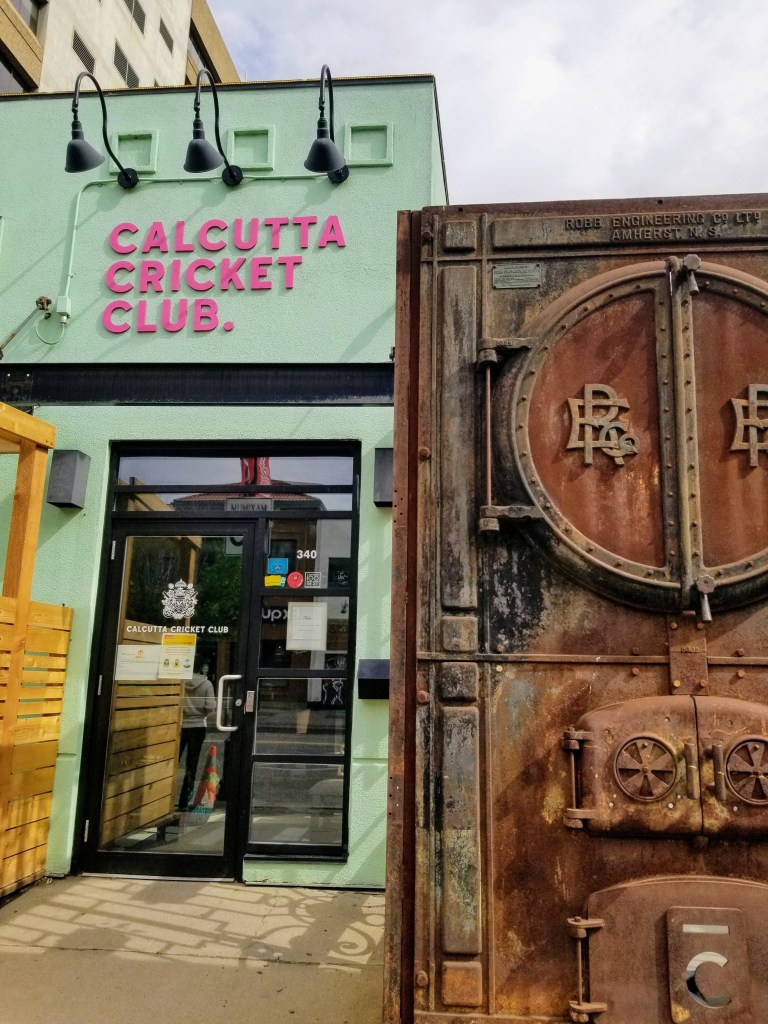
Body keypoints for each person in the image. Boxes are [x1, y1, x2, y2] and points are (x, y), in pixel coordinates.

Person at [178, 659, 216, 811]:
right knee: (191, 765)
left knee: (173, 762)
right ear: (202, 668)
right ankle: (183, 802)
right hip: (198, 725)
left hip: (180, 725)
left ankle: (164, 799)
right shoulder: (206, 684)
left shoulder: (180, 681)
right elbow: (210, 706)